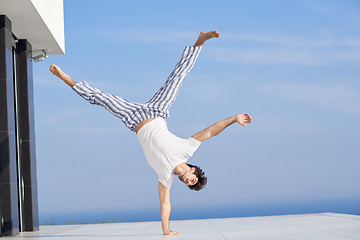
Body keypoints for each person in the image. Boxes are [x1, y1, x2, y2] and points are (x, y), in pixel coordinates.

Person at [49, 31, 252, 235]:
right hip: (157, 110)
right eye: (193, 179)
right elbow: (210, 132)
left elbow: (165, 204)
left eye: (190, 185)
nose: (189, 182)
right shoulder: (186, 150)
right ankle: (200, 42)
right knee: (177, 76)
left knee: (101, 99)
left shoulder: (166, 177)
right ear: (193, 170)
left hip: (134, 118)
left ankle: (66, 79)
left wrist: (166, 230)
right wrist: (234, 119)